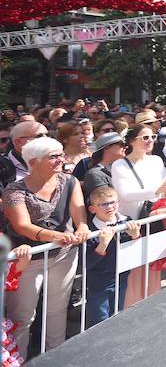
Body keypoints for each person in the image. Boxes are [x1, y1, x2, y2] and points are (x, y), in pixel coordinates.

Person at [2, 136, 90, 360]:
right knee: (22, 317)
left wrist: (81, 227)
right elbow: (22, 226)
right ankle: (17, 360)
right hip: (27, 260)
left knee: (56, 312)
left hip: (63, 256)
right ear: (33, 162)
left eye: (61, 154)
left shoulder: (68, 181)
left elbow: (78, 213)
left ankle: (55, 358)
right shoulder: (14, 190)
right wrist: (56, 236)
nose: (61, 159)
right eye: (54, 156)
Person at [110, 124, 166, 307]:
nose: (150, 141)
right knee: (134, 271)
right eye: (145, 138)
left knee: (154, 266)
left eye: (152, 136)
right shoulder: (119, 164)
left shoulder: (157, 160)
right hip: (133, 223)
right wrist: (156, 190)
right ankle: (131, 308)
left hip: (156, 218)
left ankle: (153, 303)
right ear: (131, 141)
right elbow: (124, 194)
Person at [84, 186, 142, 327]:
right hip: (99, 282)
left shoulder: (126, 221)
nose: (110, 207)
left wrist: (135, 235)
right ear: (93, 209)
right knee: (99, 318)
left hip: (121, 276)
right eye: (104, 204)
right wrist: (102, 245)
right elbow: (86, 263)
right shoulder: (89, 229)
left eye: (113, 202)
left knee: (117, 312)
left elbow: (135, 249)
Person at [0, 121, 49, 189]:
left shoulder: (56, 159)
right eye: (39, 136)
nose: (46, 139)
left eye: (47, 135)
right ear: (18, 142)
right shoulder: (2, 166)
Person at [82, 131, 128, 200]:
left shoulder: (122, 169)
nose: (126, 147)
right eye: (121, 144)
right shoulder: (94, 174)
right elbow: (104, 200)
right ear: (106, 148)